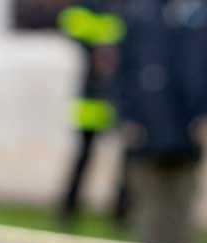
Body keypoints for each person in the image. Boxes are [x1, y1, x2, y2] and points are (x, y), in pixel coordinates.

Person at [116, 0, 207, 243]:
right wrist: (127, 118)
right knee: (149, 204)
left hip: (189, 130)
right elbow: (123, 71)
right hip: (149, 126)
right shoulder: (140, 15)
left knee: (183, 203)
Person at [57, 0, 125, 226]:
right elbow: (71, 22)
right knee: (85, 156)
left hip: (119, 93)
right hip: (94, 94)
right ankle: (69, 208)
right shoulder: (92, 6)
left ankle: (121, 212)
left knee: (128, 158)